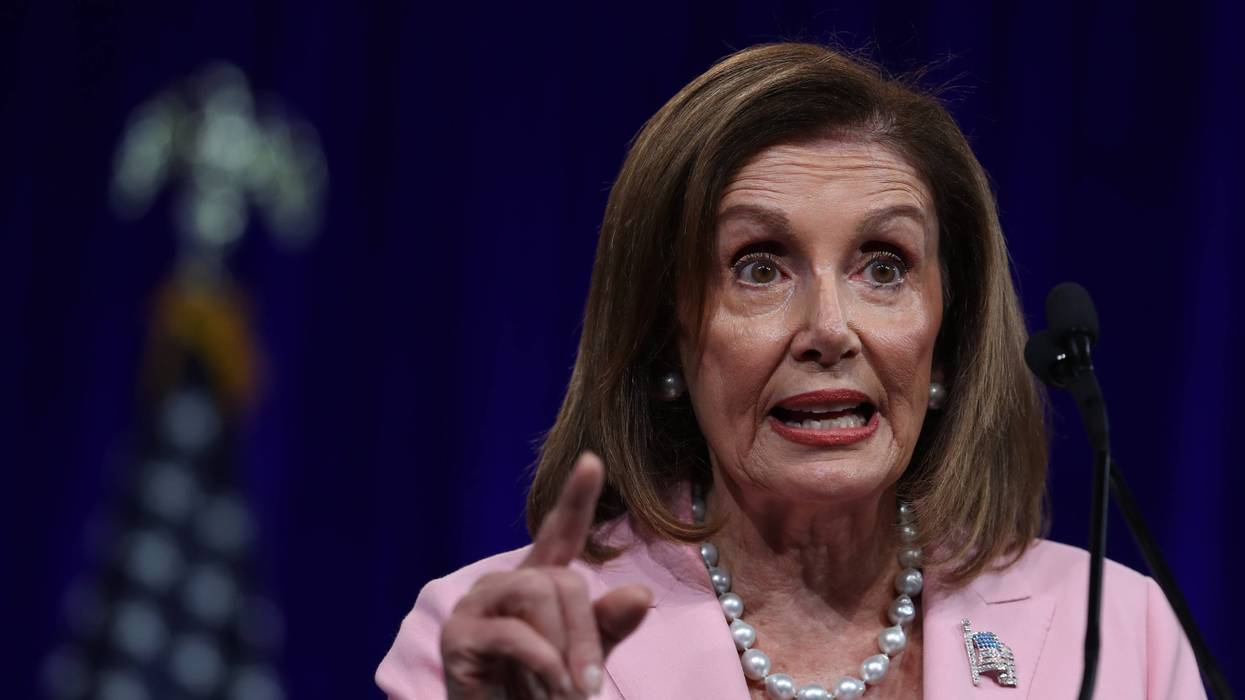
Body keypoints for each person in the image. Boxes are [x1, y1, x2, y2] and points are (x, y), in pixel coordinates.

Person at [376, 43, 1205, 699]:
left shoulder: (1119, 631)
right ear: (664, 335)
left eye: (883, 266)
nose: (829, 330)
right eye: (759, 266)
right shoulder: (494, 647)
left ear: (947, 334)